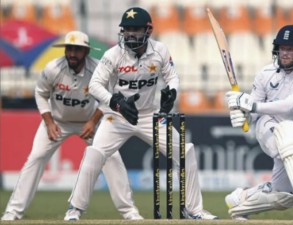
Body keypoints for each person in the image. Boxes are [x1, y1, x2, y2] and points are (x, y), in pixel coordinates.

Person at [63, 7, 218, 220]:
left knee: (186, 151)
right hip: (116, 116)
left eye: (135, 29)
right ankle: (75, 208)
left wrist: (172, 92)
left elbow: (172, 76)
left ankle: (194, 210)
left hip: (149, 116)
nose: (129, 34)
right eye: (126, 30)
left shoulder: (160, 51)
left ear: (148, 30)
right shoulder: (113, 54)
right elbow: (95, 84)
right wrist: (115, 101)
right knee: (95, 153)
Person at [1, 31, 142, 221]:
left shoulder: (97, 70)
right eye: (69, 49)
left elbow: (107, 98)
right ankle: (13, 212)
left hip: (90, 122)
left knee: (112, 158)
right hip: (58, 122)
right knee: (36, 157)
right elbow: (40, 94)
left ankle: (129, 211)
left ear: (86, 52)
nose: (72, 54)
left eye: (78, 50)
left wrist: (93, 121)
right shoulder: (52, 68)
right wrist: (49, 122)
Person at [224, 25, 293, 220]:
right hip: (269, 126)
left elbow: (289, 106)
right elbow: (253, 113)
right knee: (288, 132)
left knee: (283, 196)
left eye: (291, 49)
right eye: (282, 48)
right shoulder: (265, 74)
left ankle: (241, 199)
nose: (285, 53)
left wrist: (252, 106)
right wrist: (242, 116)